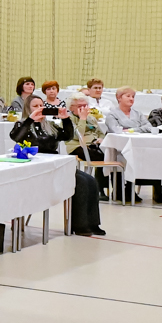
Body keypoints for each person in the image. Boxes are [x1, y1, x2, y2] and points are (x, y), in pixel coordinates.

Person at [10, 94, 104, 236]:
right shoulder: (22, 125)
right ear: (28, 109)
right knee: (80, 182)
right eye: (35, 106)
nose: (40, 108)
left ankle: (92, 223)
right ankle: (80, 224)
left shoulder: (50, 126)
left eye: (41, 105)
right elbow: (16, 136)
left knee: (90, 180)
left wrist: (65, 119)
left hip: (54, 164)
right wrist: (30, 120)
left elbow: (67, 136)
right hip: (36, 168)